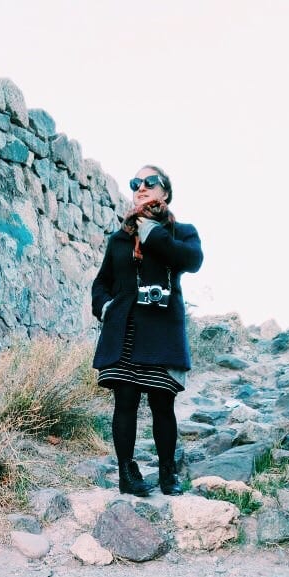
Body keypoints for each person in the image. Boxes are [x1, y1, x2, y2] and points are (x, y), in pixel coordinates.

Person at [91, 165, 203, 496]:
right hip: (124, 329)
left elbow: (192, 260)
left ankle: (167, 473)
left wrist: (153, 233)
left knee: (162, 404)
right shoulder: (119, 239)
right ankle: (127, 472)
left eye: (149, 182)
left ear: (164, 191)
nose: (140, 187)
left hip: (161, 331)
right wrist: (106, 306)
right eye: (135, 183)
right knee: (124, 402)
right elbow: (102, 283)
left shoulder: (181, 232)